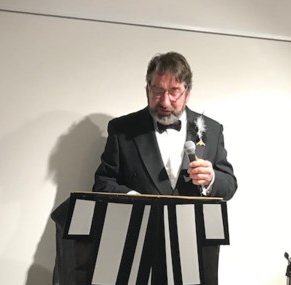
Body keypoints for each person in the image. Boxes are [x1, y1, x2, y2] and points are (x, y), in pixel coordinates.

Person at [93, 51, 237, 199]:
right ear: (147, 90)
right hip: (142, 221)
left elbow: (230, 185)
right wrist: (133, 199)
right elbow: (103, 182)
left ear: (187, 94)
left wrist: (211, 179)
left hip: (190, 222)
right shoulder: (121, 130)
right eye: (158, 91)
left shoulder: (213, 130)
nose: (164, 102)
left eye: (174, 92)